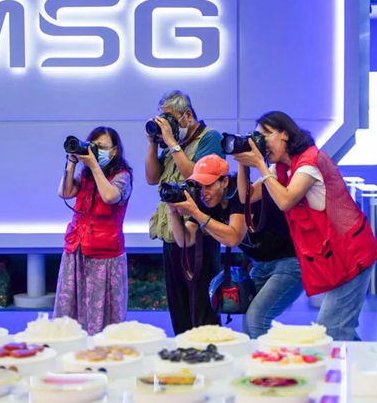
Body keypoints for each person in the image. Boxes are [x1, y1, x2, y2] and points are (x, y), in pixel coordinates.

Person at [232, 111, 377, 341]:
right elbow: (246, 197)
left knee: (331, 328)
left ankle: (357, 363)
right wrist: (243, 165)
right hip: (333, 254)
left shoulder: (310, 162)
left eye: (266, 135)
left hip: (353, 252)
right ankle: (359, 361)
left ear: (285, 134)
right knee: (339, 328)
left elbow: (285, 201)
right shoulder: (282, 168)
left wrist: (260, 164)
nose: (262, 143)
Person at [167, 155, 304, 339]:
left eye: (208, 186)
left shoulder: (239, 195)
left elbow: (233, 238)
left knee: (257, 318)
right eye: (200, 186)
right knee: (249, 320)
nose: (204, 192)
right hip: (261, 264)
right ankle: (258, 356)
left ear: (224, 182)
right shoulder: (207, 202)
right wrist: (173, 212)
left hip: (290, 262)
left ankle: (267, 357)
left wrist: (197, 213)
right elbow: (185, 239)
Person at [145, 90, 225, 334]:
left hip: (200, 234)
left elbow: (198, 177)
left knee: (202, 308)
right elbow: (152, 178)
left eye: (170, 119)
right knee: (178, 307)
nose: (167, 126)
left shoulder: (209, 138)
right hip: (173, 234)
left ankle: (209, 352)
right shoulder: (174, 146)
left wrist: (172, 143)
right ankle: (183, 352)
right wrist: (153, 143)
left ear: (187, 116)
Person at [54, 126, 133, 335]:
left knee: (102, 313)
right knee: (70, 308)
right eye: (94, 146)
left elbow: (109, 196)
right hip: (77, 248)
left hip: (105, 255)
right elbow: (64, 192)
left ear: (114, 151)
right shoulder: (85, 174)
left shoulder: (123, 176)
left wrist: (94, 165)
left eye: (102, 147)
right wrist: (73, 162)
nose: (97, 151)